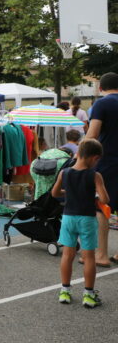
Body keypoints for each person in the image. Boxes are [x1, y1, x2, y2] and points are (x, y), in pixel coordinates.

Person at [51, 139, 108, 308]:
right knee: (88, 256)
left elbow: (55, 193)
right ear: (94, 157)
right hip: (87, 219)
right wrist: (95, 194)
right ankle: (89, 294)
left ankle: (65, 291)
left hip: (68, 217)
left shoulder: (65, 173)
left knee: (67, 255)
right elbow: (105, 199)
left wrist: (69, 191)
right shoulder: (95, 175)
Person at [85, 72, 118, 266]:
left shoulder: (102, 103)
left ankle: (101, 254)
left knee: (102, 207)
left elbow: (93, 133)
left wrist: (80, 155)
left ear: (100, 88)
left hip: (108, 162)